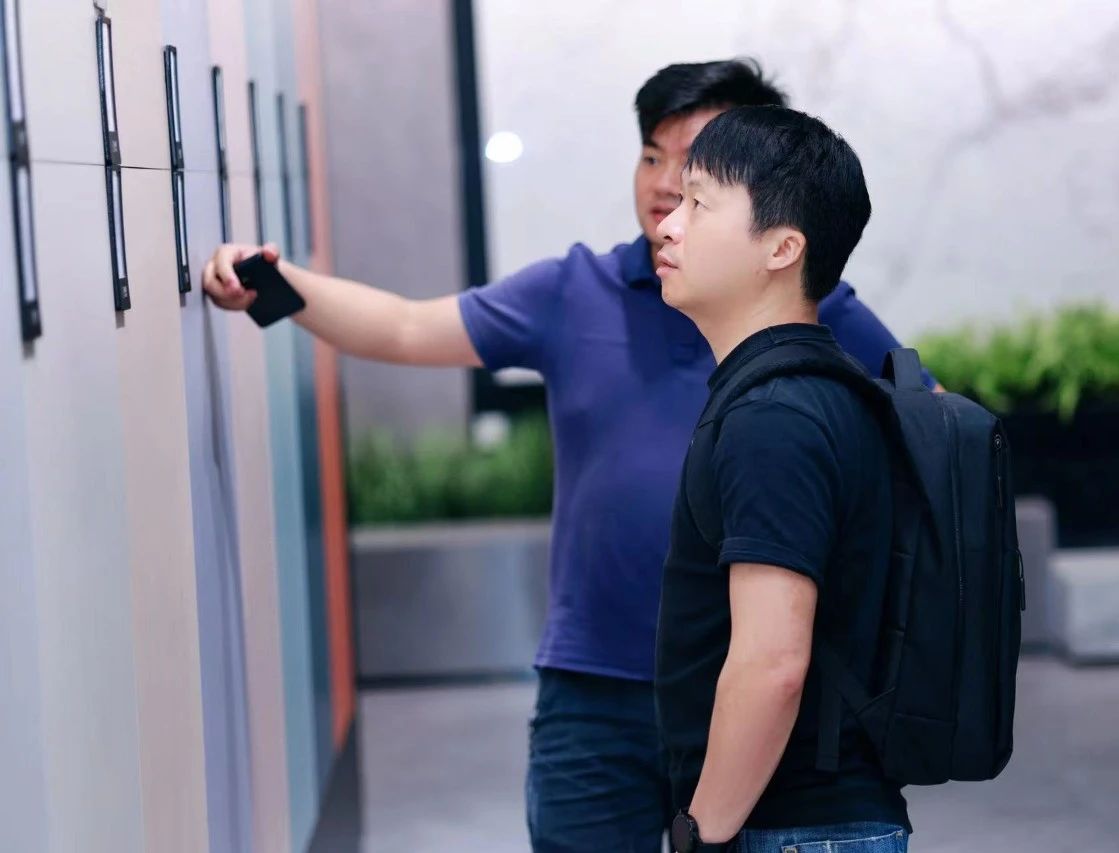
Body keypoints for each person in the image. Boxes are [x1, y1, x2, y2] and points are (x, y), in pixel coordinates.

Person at [202, 60, 929, 852]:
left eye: (695, 168)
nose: (665, 185)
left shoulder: (818, 315)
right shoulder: (576, 289)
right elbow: (407, 327)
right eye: (651, 156)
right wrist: (272, 287)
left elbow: (925, 442)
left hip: (759, 690)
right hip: (597, 687)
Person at [654, 105, 908, 852]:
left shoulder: (775, 417)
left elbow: (773, 664)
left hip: (793, 832)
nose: (669, 225)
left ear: (782, 247)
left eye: (699, 203)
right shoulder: (809, 390)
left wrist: (700, 834)